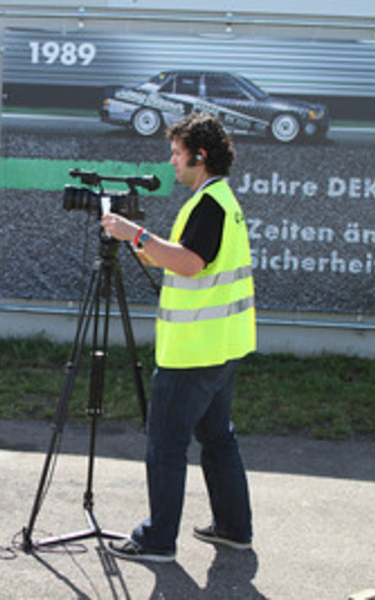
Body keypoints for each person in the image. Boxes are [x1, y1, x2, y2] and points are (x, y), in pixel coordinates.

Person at [101, 113, 256, 562]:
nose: (171, 161)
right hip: (221, 345)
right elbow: (187, 260)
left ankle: (158, 539)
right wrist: (142, 243)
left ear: (199, 157)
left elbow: (190, 263)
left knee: (166, 444)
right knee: (217, 437)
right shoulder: (220, 200)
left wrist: (136, 233)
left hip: (193, 351)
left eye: (176, 153)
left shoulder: (209, 204)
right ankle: (233, 528)